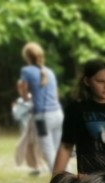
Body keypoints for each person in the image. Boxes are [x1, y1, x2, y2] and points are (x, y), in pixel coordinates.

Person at [18, 42, 65, 170]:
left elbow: (25, 97)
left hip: (42, 117)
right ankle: (71, 181)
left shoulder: (26, 71)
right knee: (59, 151)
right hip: (58, 114)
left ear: (26, 57)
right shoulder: (49, 72)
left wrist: (21, 89)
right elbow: (55, 95)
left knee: (48, 152)